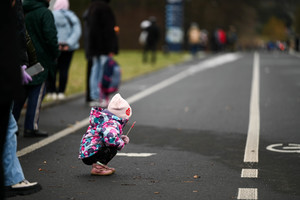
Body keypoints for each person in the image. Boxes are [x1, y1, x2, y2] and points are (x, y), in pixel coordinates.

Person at [13, 0, 60, 137]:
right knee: (37, 89)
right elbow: (50, 36)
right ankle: (31, 126)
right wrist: (55, 54)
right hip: (41, 59)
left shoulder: (22, 10)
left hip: (23, 58)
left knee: (21, 90)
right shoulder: (45, 13)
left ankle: (13, 123)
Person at [78, 93, 131, 176]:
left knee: (112, 144)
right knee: (113, 148)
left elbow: (106, 135)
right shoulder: (112, 123)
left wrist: (120, 138)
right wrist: (121, 143)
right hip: (92, 153)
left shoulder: (106, 119)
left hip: (88, 151)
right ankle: (98, 168)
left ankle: (101, 165)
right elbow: (110, 139)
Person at [83, 0, 119, 107]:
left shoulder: (91, 8)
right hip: (103, 47)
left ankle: (94, 96)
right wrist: (111, 48)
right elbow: (108, 30)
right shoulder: (105, 9)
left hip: (94, 47)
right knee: (102, 71)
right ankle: (100, 96)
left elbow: (91, 29)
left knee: (95, 70)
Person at [47, 0, 82, 100]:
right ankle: (61, 91)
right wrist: (68, 43)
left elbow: (48, 30)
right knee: (64, 69)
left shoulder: (51, 15)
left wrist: (54, 44)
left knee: (52, 69)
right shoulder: (71, 16)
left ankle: (51, 91)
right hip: (68, 48)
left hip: (55, 47)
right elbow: (77, 31)